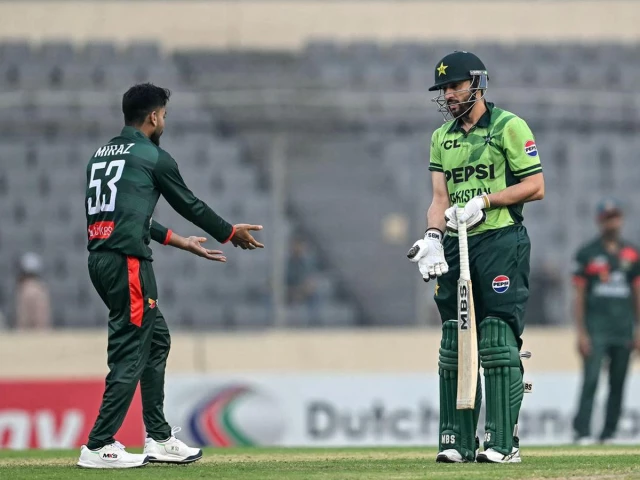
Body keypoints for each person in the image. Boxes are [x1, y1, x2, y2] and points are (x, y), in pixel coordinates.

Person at [78, 83, 264, 469]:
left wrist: (180, 241)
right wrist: (229, 232)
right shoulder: (152, 156)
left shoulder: (101, 155)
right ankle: (98, 445)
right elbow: (189, 203)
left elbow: (126, 216)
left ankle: (159, 438)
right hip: (128, 263)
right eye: (164, 114)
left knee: (156, 339)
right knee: (131, 350)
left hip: (101, 260)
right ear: (153, 116)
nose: (164, 120)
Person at [407, 51, 544, 463]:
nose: (448, 95)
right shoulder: (441, 137)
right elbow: (440, 199)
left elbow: (535, 186)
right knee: (454, 339)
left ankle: (504, 443)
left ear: (478, 84)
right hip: (457, 243)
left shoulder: (508, 126)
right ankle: (457, 440)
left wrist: (485, 200)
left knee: (497, 339)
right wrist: (433, 237)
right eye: (443, 89)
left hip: (500, 240)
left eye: (455, 86)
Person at [572, 198, 640, 444]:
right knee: (591, 379)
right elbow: (579, 296)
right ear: (600, 221)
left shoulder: (631, 253)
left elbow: (637, 293)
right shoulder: (587, 254)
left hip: (623, 329)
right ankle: (582, 431)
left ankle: (609, 432)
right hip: (596, 328)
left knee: (618, 382)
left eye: (616, 217)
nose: (613, 222)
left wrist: (638, 329)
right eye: (608, 218)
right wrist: (581, 332)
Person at [15, 252, 51, 330]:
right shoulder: (41, 288)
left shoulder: (26, 289)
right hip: (41, 333)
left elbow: (24, 320)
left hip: (31, 334)